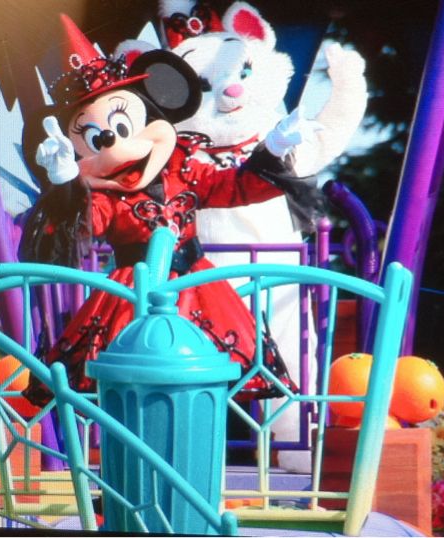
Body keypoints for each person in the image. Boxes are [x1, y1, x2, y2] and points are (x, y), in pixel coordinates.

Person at [20, 14, 319, 407]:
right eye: (97, 141)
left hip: (197, 290)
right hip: (133, 295)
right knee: (135, 377)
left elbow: (236, 187)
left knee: (210, 372)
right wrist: (66, 186)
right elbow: (80, 229)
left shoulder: (186, 171)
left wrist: (274, 149)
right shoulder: (106, 199)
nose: (117, 148)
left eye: (122, 128)